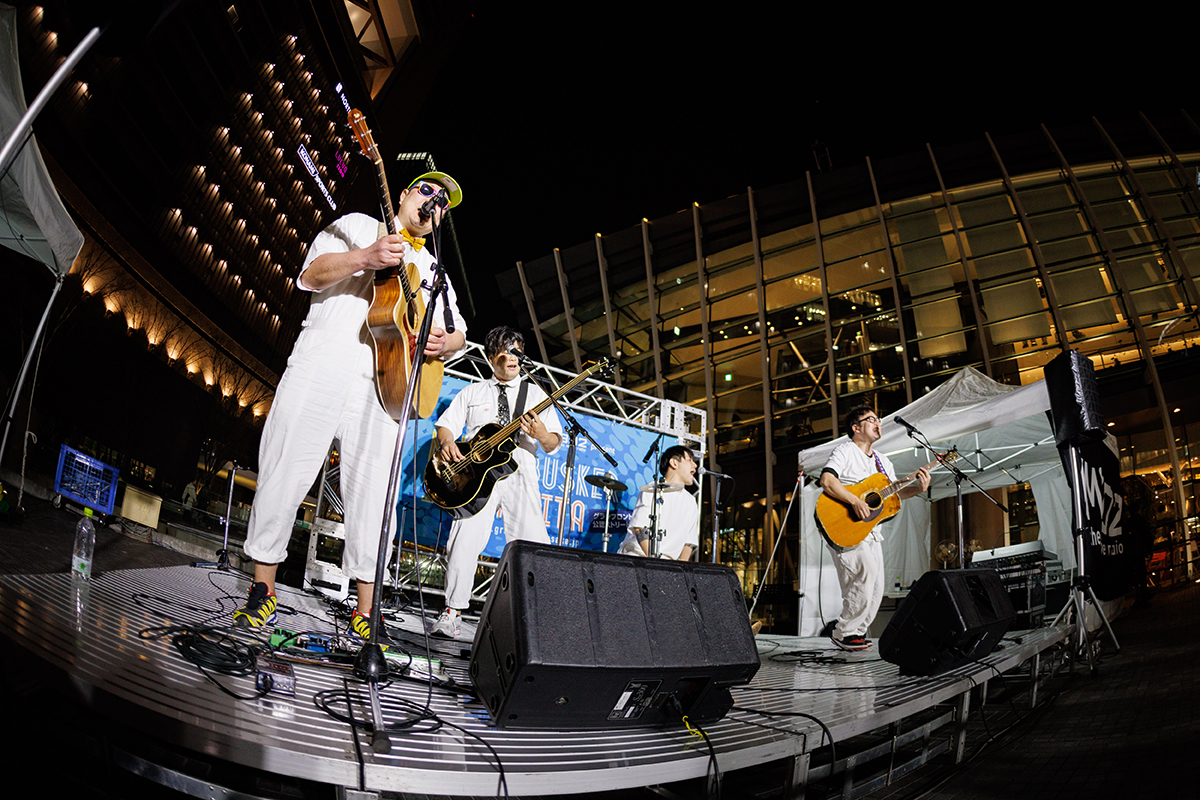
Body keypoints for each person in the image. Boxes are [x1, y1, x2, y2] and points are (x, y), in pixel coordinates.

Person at [233, 172, 467, 640]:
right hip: (325, 361)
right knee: (285, 467)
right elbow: (309, 275)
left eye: (442, 202)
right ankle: (263, 591)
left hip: (386, 384)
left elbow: (459, 332)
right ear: (403, 194)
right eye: (426, 191)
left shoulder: (437, 273)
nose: (432, 202)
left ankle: (366, 612)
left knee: (376, 498)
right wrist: (365, 258)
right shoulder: (359, 225)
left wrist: (447, 342)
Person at [430, 326, 562, 638]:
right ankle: (452, 612)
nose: (514, 358)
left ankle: (538, 618)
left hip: (521, 469)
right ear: (492, 358)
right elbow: (446, 426)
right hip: (477, 476)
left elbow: (553, 443)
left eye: (518, 351)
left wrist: (541, 433)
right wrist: (447, 442)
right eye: (507, 353)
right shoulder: (472, 392)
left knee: (532, 543)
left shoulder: (536, 394)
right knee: (464, 537)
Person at [820, 405, 929, 651]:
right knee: (864, 573)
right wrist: (855, 500)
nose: (877, 422)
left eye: (878, 419)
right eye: (870, 419)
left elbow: (890, 497)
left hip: (870, 530)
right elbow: (827, 480)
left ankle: (856, 633)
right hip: (843, 524)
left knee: (877, 584)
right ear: (855, 428)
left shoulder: (883, 462)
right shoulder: (845, 450)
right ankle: (844, 631)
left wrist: (918, 489)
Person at [618, 444, 699, 561]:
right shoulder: (652, 490)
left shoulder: (691, 501)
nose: (695, 465)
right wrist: (654, 561)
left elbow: (689, 542)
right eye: (689, 460)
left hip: (668, 565)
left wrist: (682, 569)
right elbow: (640, 528)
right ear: (674, 463)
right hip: (638, 558)